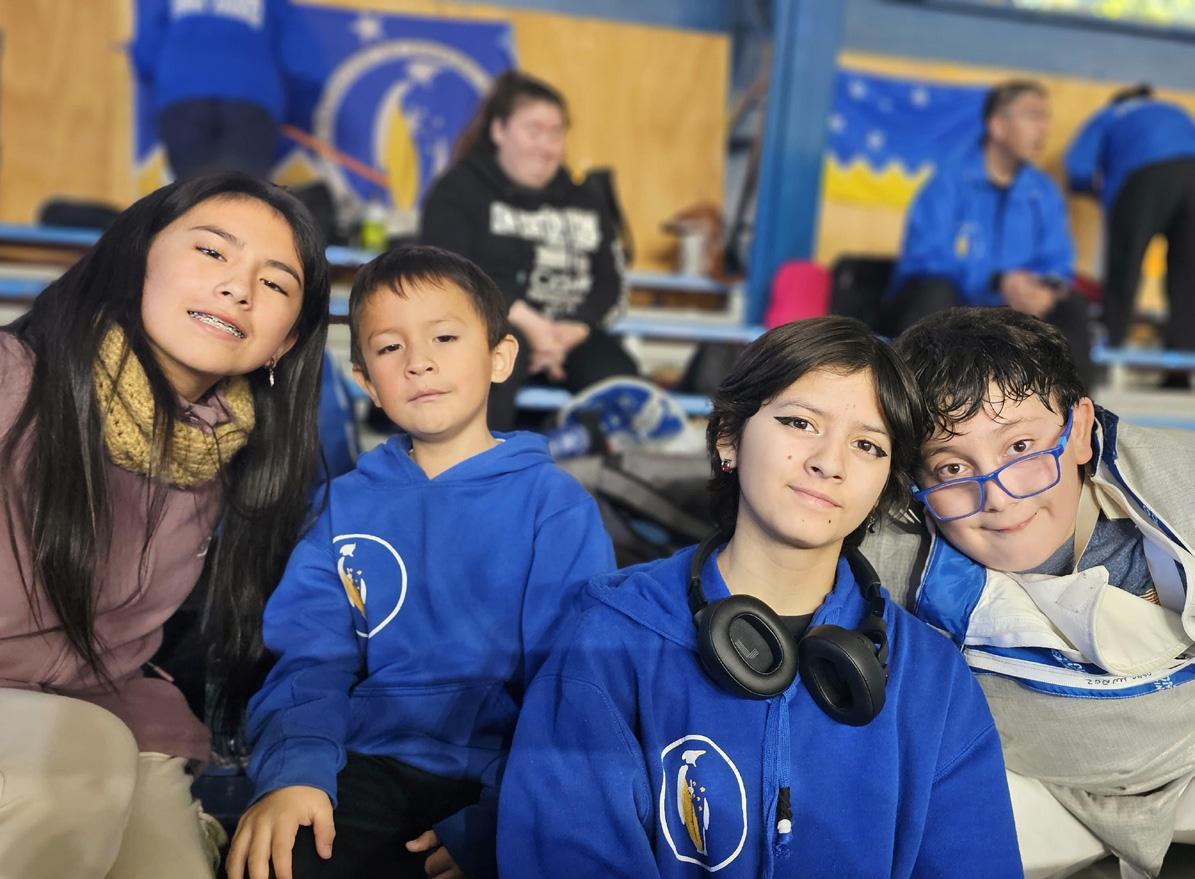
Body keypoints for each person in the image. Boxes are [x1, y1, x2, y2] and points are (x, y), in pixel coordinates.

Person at [497, 316, 1021, 877]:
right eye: (799, 422)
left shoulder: (931, 676)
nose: (829, 463)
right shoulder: (611, 637)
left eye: (867, 445)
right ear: (729, 435)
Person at [226, 245, 615, 879]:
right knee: (274, 860)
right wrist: (295, 775)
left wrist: (505, 817)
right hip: (365, 761)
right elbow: (310, 659)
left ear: (500, 357)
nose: (419, 362)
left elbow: (575, 683)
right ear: (366, 383)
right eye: (389, 348)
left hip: (503, 775)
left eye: (445, 337)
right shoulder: (344, 505)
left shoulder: (556, 507)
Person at [0, 172, 332, 878]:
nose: (239, 289)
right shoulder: (14, 379)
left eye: (274, 283)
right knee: (81, 759)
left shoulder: (229, 457)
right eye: (212, 252)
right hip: (65, 734)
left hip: (103, 715)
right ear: (136, 259)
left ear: (285, 343)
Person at [867, 306, 1195, 878]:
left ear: (1081, 431)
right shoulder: (883, 563)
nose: (999, 497)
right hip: (1020, 807)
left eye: (1020, 448)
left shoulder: (1179, 484)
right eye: (951, 469)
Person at [420, 70, 637, 430]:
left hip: (573, 333)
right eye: (533, 130)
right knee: (494, 364)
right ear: (499, 130)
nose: (546, 145)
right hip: (493, 326)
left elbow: (610, 283)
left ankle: (597, 465)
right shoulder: (457, 190)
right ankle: (480, 465)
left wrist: (577, 328)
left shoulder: (585, 199)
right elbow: (449, 274)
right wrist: (529, 323)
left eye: (556, 133)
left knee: (623, 386)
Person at [883, 79, 1094, 387]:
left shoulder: (1043, 191)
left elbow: (1058, 260)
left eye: (1046, 118)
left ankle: (1074, 406)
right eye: (1033, 116)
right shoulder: (948, 183)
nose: (1044, 128)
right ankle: (916, 397)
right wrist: (996, 281)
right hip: (956, 301)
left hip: (1014, 305)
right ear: (997, 125)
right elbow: (926, 255)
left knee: (1071, 305)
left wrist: (1042, 288)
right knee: (934, 292)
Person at [1066, 84, 1195, 381]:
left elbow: (1079, 166)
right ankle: (1179, 373)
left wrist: (1097, 192)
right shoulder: (1175, 110)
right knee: (1188, 278)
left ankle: (1107, 364)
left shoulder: (1111, 114)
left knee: (1124, 269)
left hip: (1143, 176)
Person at [131, 0, 321, 181]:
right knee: (242, 192)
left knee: (193, 192)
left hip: (181, 99)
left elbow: (144, 56)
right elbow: (308, 70)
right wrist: (293, 118)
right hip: (251, 100)